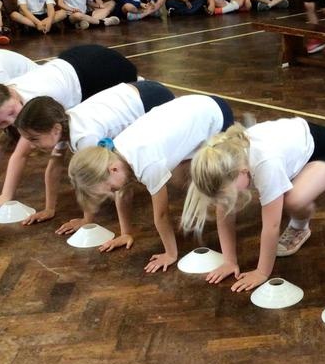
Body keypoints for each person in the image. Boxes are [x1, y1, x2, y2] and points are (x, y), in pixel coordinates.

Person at [183, 116, 325, 291]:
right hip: (298, 146)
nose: (225, 199)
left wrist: (262, 272)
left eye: (226, 192)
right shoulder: (225, 161)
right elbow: (225, 212)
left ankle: (300, 226)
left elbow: (272, 226)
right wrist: (229, 261)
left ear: (242, 171)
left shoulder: (266, 165)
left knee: (294, 200)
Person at [68, 95, 234, 273]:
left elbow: (161, 215)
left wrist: (170, 254)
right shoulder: (114, 154)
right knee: (181, 176)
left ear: (113, 169)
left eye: (110, 188)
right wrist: (125, 233)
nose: (113, 192)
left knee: (218, 189)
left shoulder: (147, 164)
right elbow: (122, 193)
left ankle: (230, 251)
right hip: (192, 107)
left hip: (216, 115)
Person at [0, 45, 138, 201]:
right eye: (0, 122)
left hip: (99, 67)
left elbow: (20, 155)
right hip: (72, 64)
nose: (12, 122)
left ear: (12, 94)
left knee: (118, 116)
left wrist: (6, 196)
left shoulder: (34, 102)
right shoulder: (4, 102)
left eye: (12, 114)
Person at [0, 81, 176, 227]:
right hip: (137, 91)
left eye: (34, 139)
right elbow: (54, 167)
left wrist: (87, 220)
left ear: (55, 129)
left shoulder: (85, 138)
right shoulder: (62, 125)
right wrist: (49, 209)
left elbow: (111, 180)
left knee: (144, 162)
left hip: (153, 99)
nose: (31, 145)